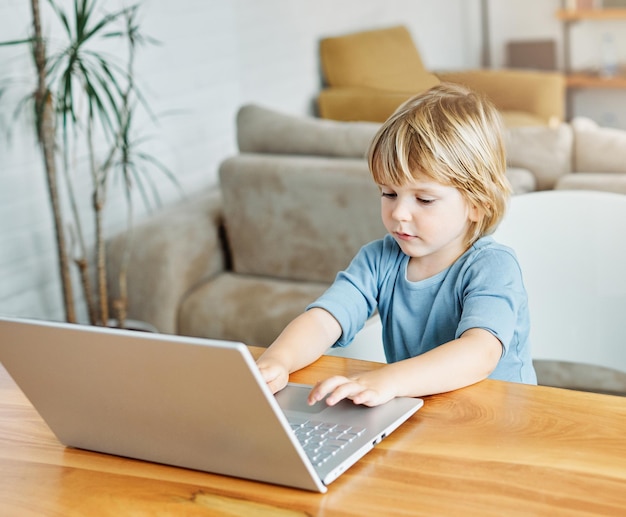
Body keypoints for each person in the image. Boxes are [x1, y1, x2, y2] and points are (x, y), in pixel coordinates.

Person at [256, 83, 537, 408]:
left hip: (498, 427)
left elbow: (480, 351)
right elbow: (323, 319)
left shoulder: (492, 266)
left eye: (424, 199)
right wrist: (278, 360)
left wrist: (388, 380)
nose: (399, 213)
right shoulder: (379, 259)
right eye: (388, 193)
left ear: (477, 205)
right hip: (422, 414)